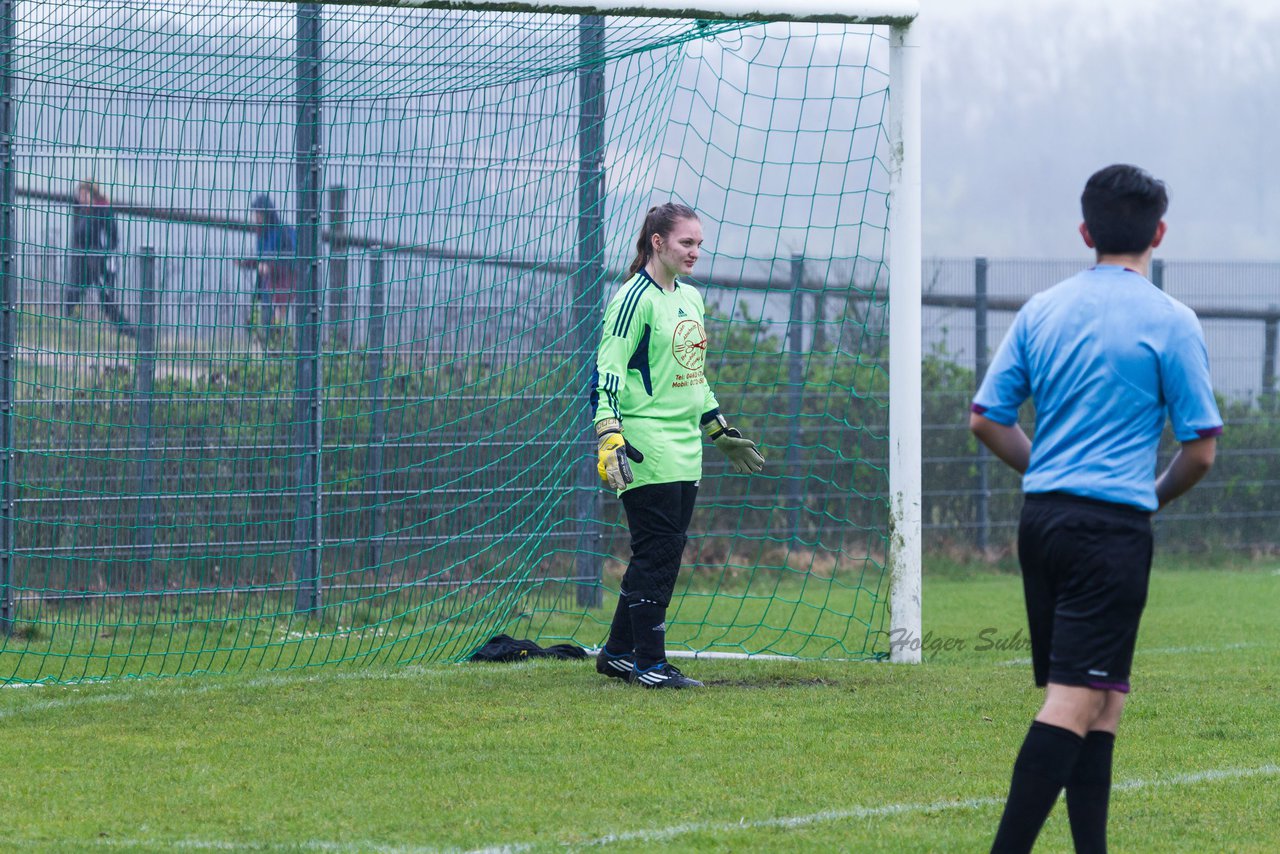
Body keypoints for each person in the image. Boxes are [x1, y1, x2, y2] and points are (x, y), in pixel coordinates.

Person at [971, 164, 1222, 853]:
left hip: (1042, 522)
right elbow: (1200, 450)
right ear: (1159, 234)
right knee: (1074, 699)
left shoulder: (1041, 310)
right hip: (1108, 531)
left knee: (1103, 700)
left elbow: (987, 419)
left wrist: (1048, 469)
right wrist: (1152, 495)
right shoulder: (1171, 321)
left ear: (1085, 231)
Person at [590, 202, 766, 689]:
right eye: (686, 243)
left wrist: (719, 431)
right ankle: (650, 665)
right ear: (658, 242)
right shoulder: (633, 298)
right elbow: (607, 371)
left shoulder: (691, 299)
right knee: (659, 553)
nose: (695, 252)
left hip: (688, 446)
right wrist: (609, 437)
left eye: (699, 245)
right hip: (646, 443)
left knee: (660, 550)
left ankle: (618, 653)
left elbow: (693, 378)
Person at [65, 180, 133, 335]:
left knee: (106, 299)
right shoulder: (82, 210)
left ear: (92, 194)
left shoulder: (102, 210)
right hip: (83, 259)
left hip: (99, 261)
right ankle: (70, 322)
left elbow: (113, 238)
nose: (81, 197)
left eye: (84, 194)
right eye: (79, 194)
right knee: (73, 292)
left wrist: (103, 254)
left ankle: (127, 331)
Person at [234, 194, 297, 333]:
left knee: (276, 319)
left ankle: (278, 336)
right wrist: (245, 263)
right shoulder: (262, 234)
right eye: (255, 213)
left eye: (258, 213)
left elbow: (292, 258)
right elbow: (261, 259)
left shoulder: (283, 232)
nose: (256, 217)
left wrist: (270, 267)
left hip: (283, 283)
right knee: (265, 318)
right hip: (266, 285)